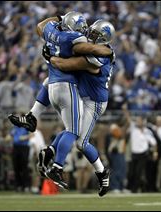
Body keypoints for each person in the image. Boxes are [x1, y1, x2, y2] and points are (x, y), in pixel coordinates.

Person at [8, 11, 112, 192]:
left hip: (94, 102)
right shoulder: (77, 41)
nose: (89, 35)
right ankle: (38, 129)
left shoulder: (99, 57)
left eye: (94, 34)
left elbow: (67, 64)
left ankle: (102, 173)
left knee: (81, 142)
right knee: (52, 86)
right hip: (81, 92)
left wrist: (51, 58)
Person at [11, 117, 34, 192]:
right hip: (16, 147)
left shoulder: (26, 126)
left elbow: (32, 135)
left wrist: (23, 138)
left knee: (24, 167)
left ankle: (26, 185)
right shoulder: (15, 127)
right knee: (16, 167)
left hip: (24, 147)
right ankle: (18, 185)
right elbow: (11, 135)